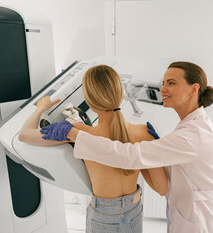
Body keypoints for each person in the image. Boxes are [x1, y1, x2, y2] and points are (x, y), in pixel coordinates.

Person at [41, 61, 213, 233]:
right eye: (163, 83)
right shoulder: (190, 126)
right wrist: (151, 150)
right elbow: (165, 178)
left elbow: (129, 156)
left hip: (199, 221)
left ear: (194, 89)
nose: (163, 89)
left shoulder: (194, 134)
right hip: (165, 211)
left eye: (171, 83)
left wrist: (74, 134)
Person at [18, 65, 168, 233]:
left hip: (103, 217)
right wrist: (141, 160)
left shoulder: (79, 133)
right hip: (134, 211)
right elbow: (162, 188)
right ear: (120, 95)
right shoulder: (144, 132)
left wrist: (41, 108)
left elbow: (23, 135)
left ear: (89, 100)